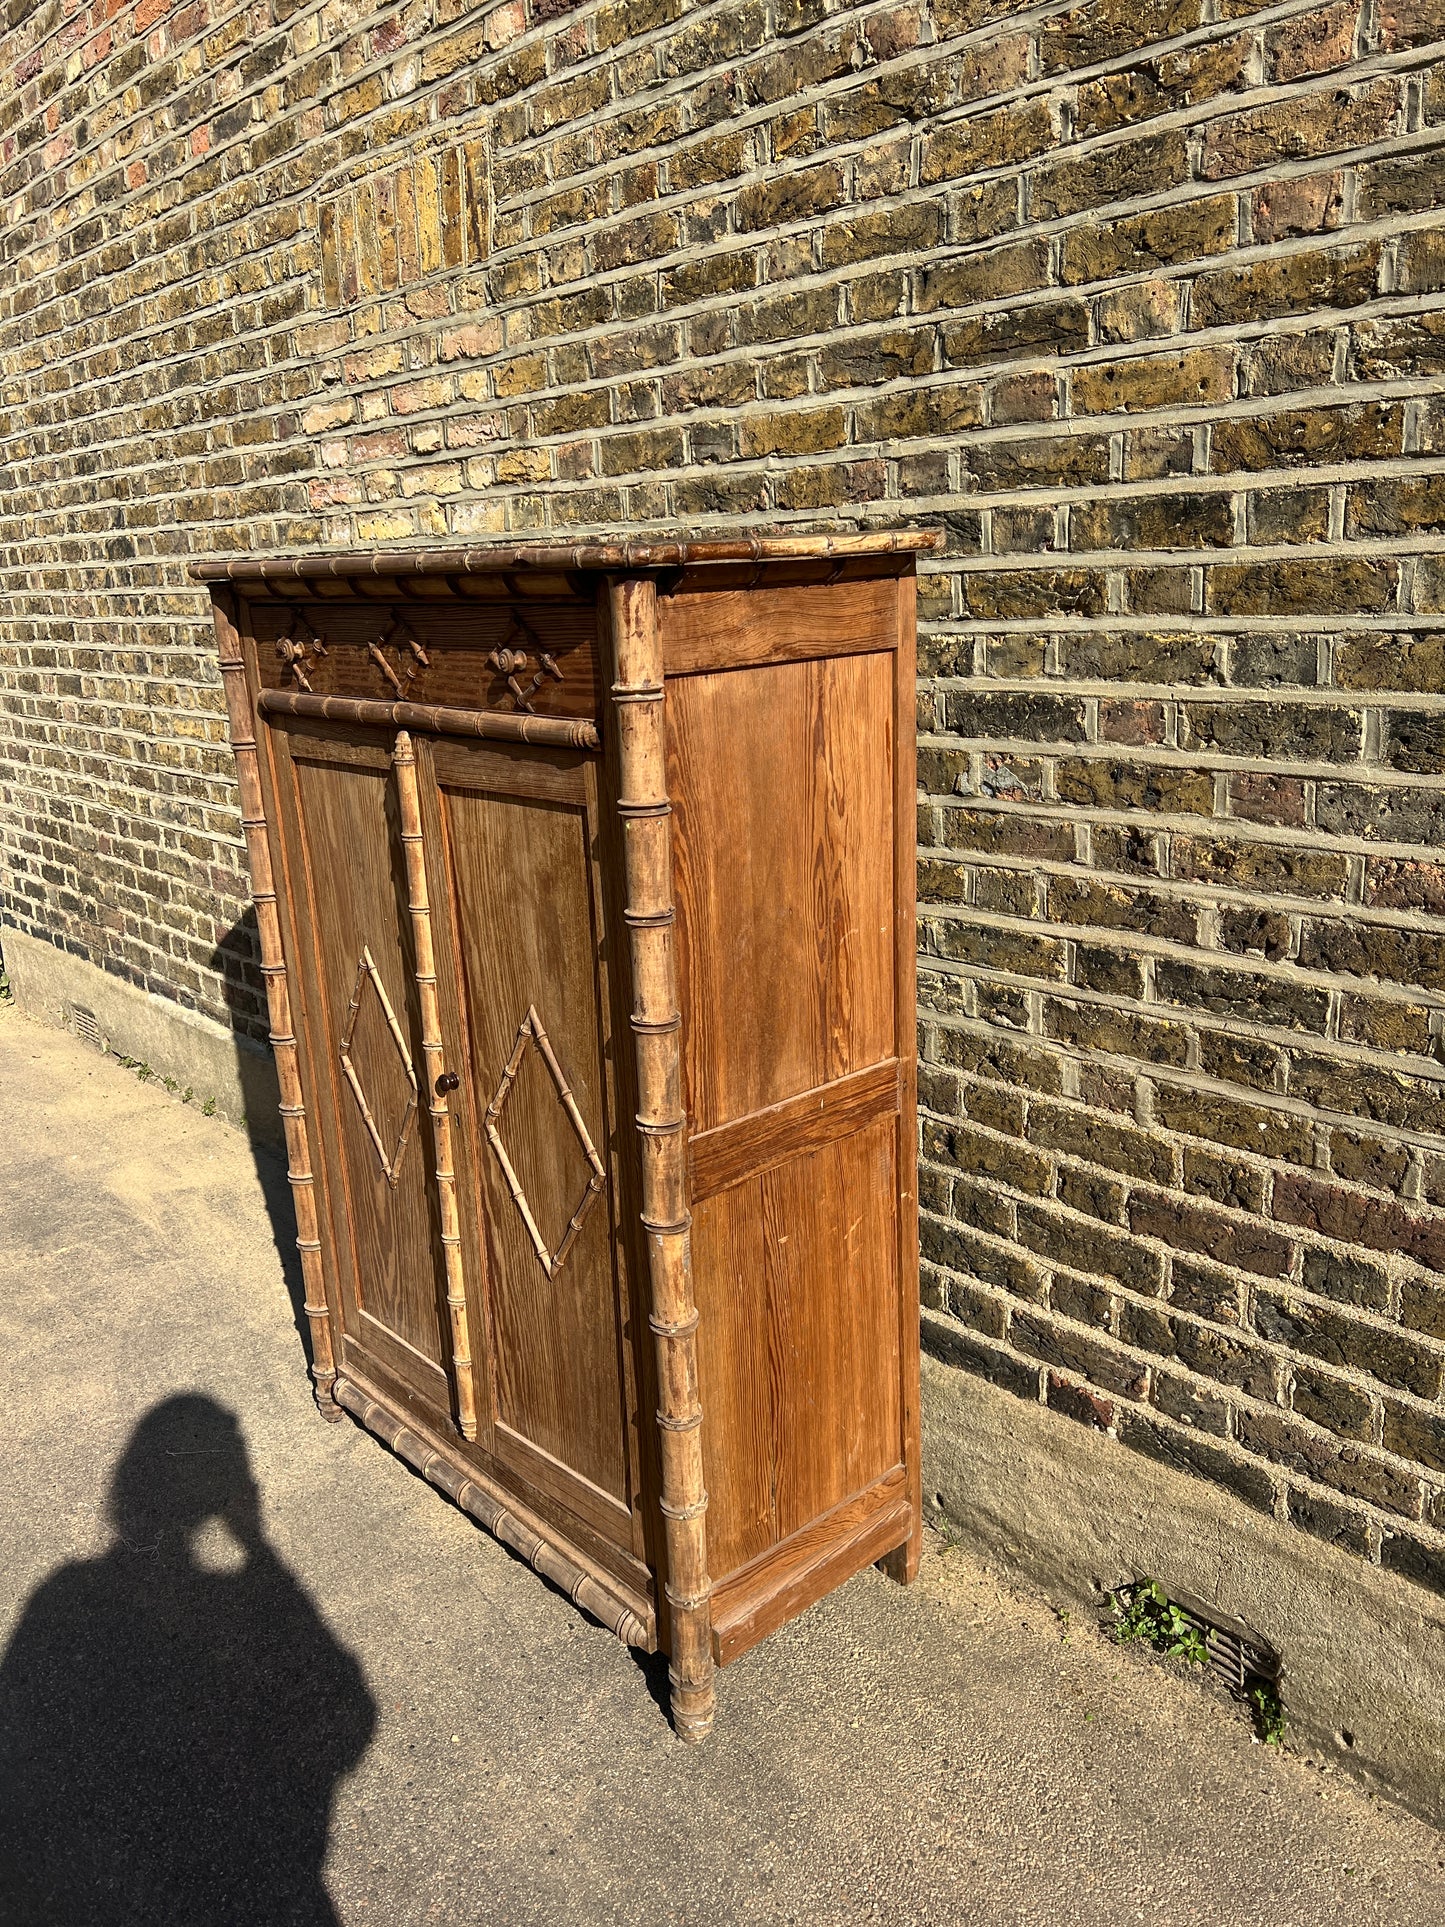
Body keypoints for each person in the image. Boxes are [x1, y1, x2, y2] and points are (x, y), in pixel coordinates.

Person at [0, 1394, 375, 1924]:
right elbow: (352, 1711)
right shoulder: (73, 1599)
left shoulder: (62, 1596)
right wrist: (257, 1545)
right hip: (266, 1878)